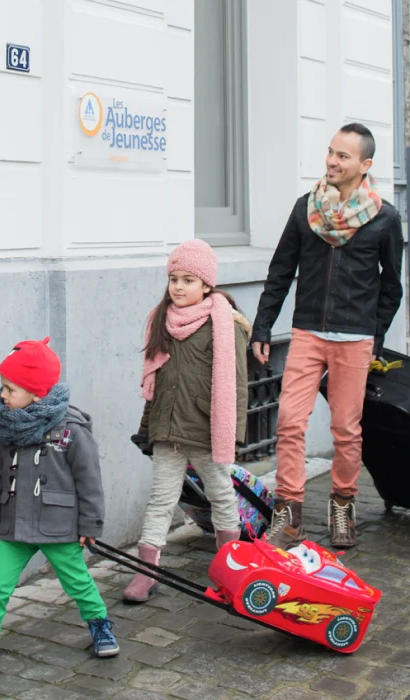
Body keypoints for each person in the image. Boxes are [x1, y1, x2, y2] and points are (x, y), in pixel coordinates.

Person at [251, 123, 404, 549]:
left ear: (365, 165)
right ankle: (289, 510)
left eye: (344, 156)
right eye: (331, 152)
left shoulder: (384, 217)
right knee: (289, 423)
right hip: (307, 333)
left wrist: (374, 336)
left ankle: (343, 504)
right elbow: (280, 272)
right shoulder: (306, 209)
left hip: (354, 339)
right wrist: (263, 325)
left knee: (345, 430)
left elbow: (392, 287)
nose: (333, 161)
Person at [0, 338, 119, 674]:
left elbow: (89, 481)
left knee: (78, 582)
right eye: (2, 387)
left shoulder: (70, 431)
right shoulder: (5, 428)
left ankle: (100, 623)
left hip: (58, 526)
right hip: (15, 525)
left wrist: (90, 527)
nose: (2, 395)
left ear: (36, 393)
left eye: (10, 389)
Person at [124, 239, 250, 603]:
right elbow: (156, 379)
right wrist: (148, 425)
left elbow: (237, 386)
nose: (178, 287)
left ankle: (232, 568)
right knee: (161, 500)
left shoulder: (226, 325)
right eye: (173, 279)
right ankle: (147, 572)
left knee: (221, 494)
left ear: (207, 285)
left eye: (188, 280)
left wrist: (232, 433)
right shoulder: (160, 321)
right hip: (167, 428)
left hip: (207, 428)